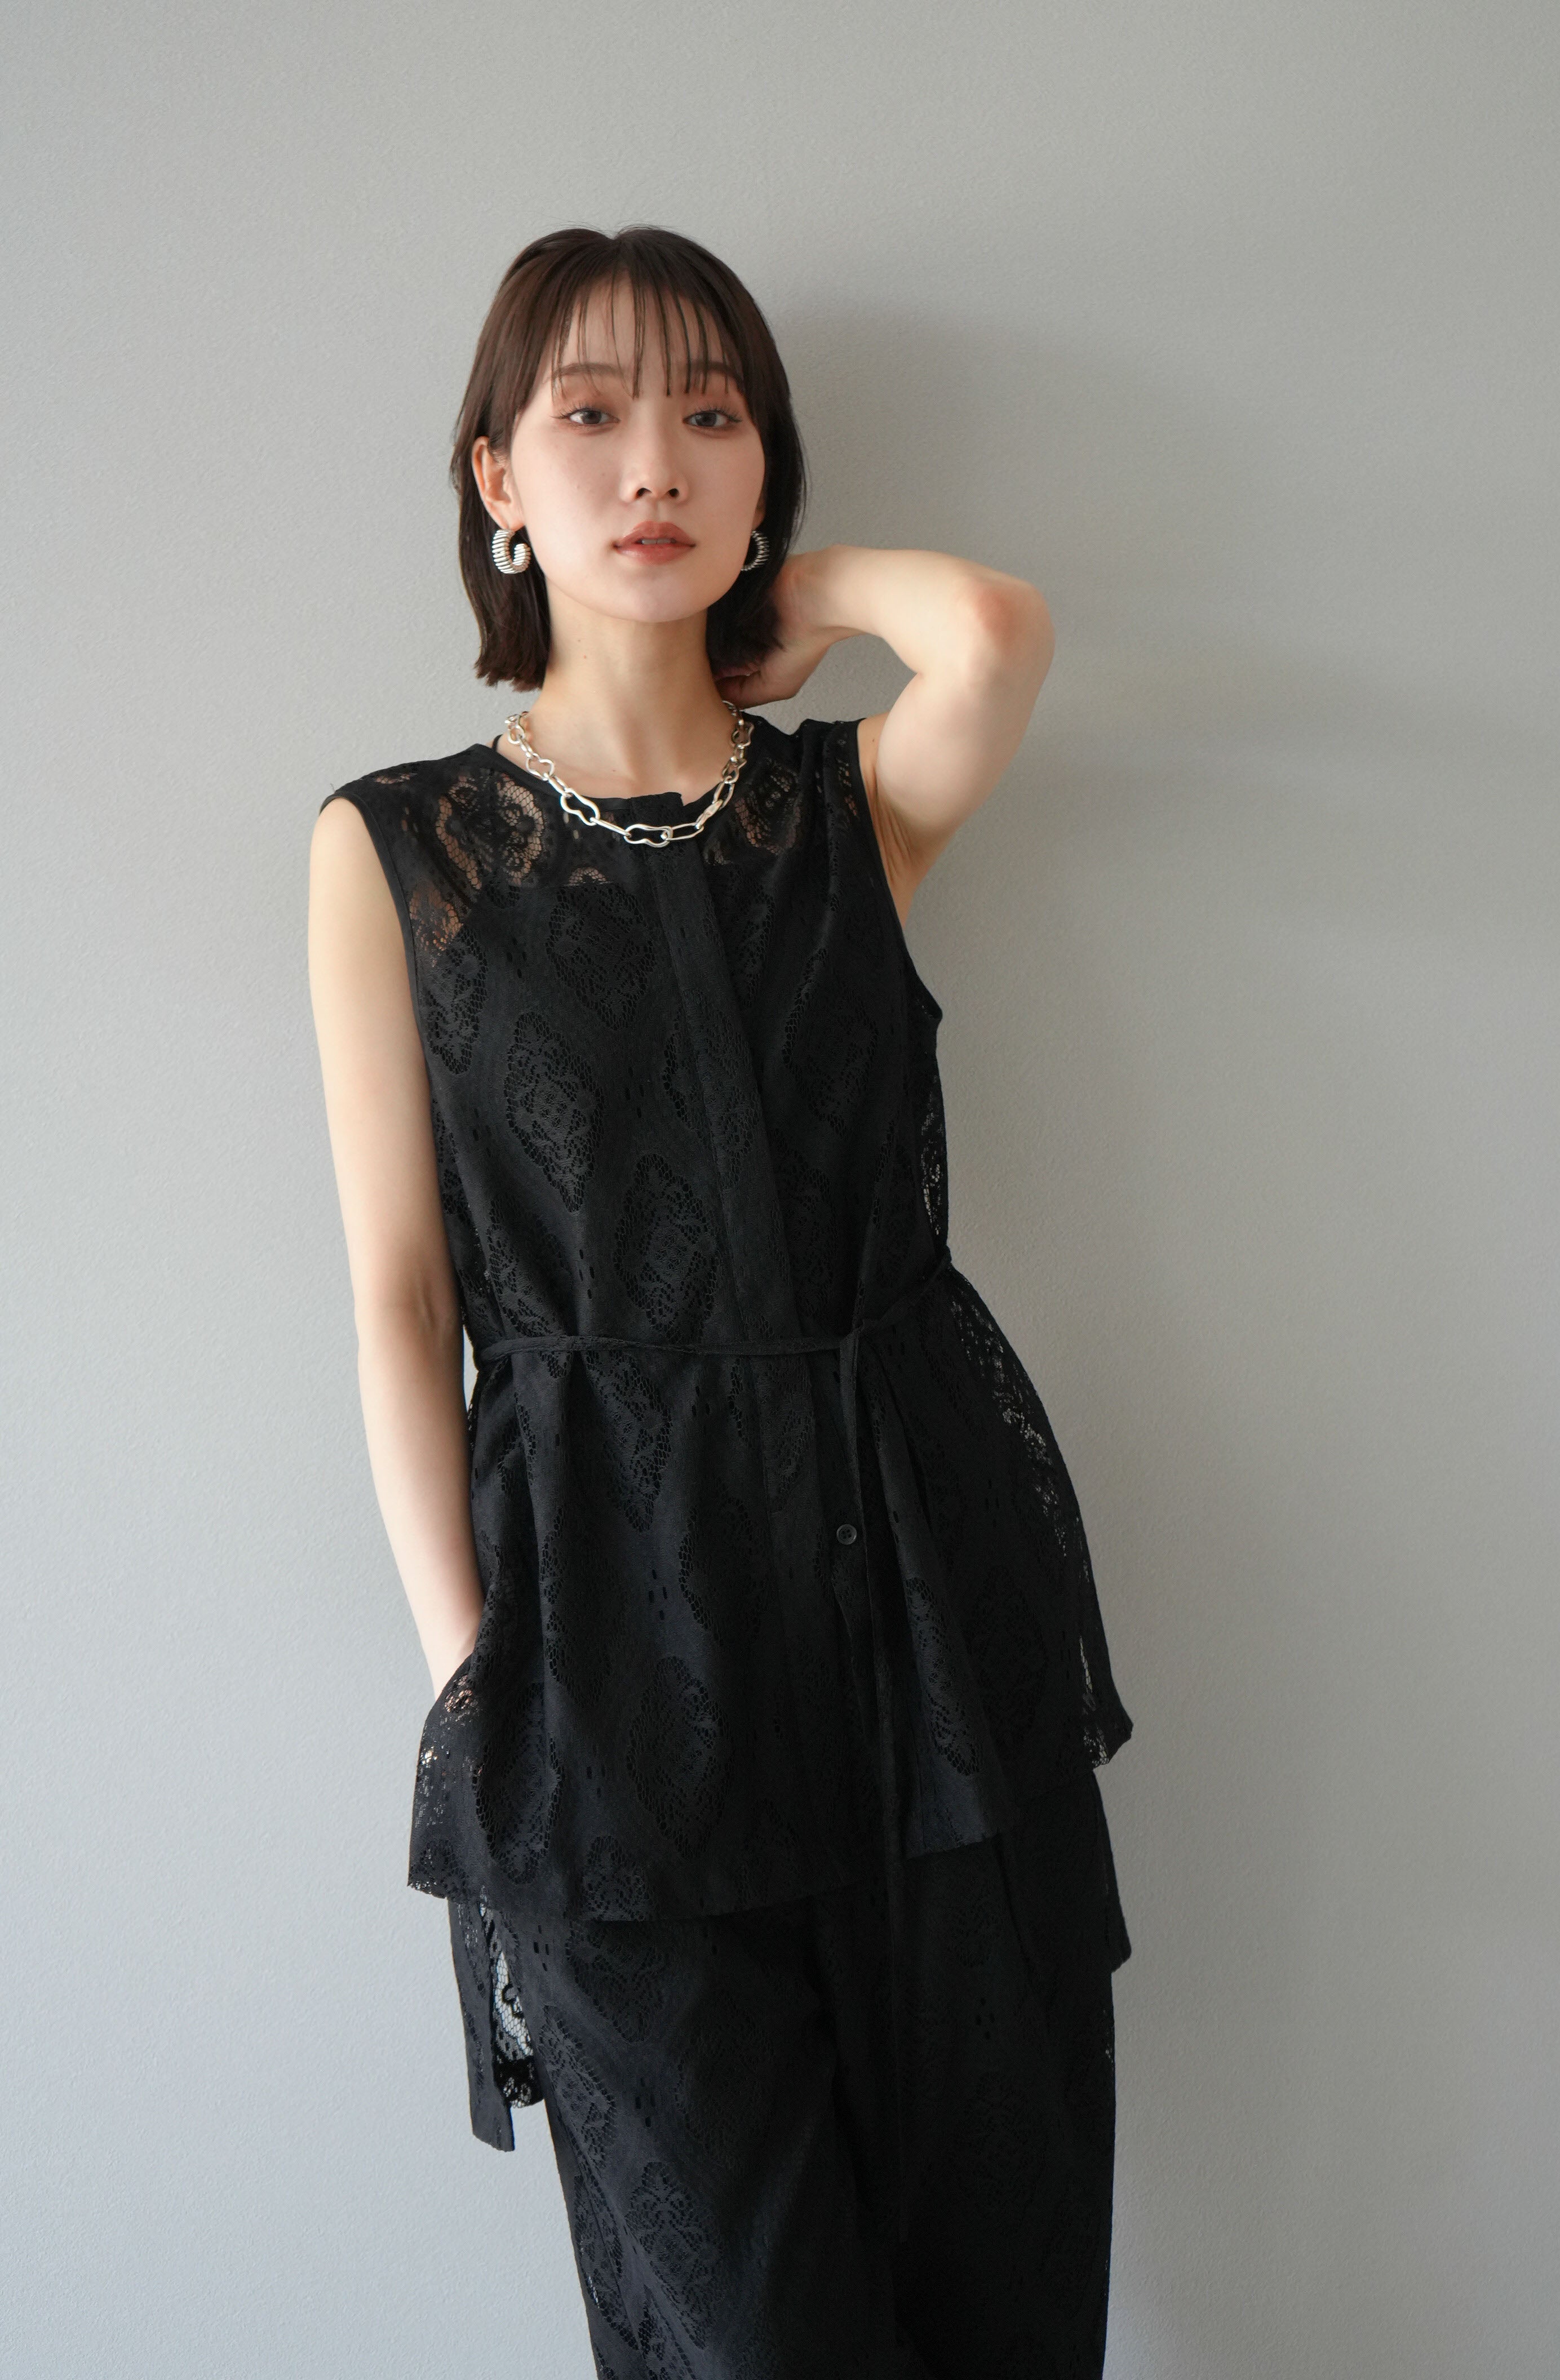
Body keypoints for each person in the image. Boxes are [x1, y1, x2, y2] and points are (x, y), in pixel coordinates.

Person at [307, 223, 1133, 2380]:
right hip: (606, 1645)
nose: (653, 461)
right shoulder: (402, 850)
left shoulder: (843, 812)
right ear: (499, 476)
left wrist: (799, 594)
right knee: (745, 2324)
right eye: (589, 415)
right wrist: (480, 1680)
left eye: (710, 413)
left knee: (1003, 2279)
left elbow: (993, 632)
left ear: (766, 467)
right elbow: (400, 1294)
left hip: (924, 1614)